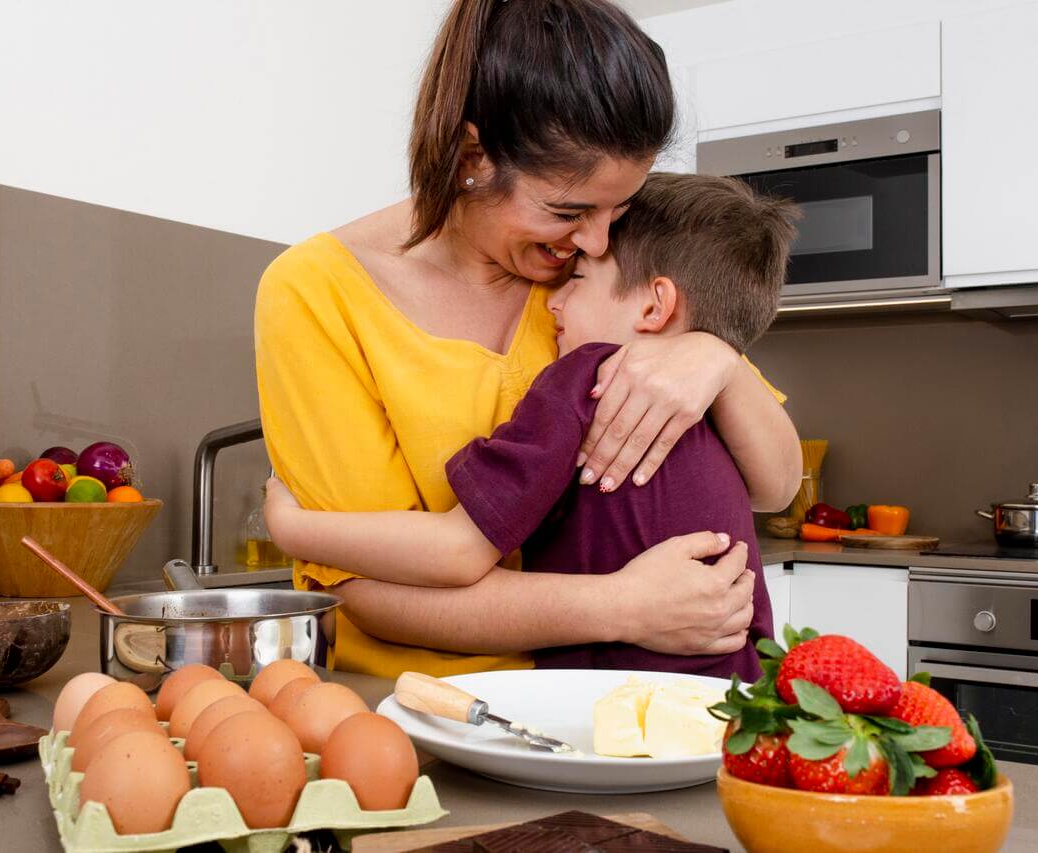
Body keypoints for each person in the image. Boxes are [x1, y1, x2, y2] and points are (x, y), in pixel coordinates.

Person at [254, 0, 802, 679]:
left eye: (618, 211)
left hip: (606, 712)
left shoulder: (602, 281)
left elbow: (777, 482)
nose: (597, 240)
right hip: (426, 712)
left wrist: (718, 360)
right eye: (569, 211)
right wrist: (621, 607)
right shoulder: (315, 292)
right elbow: (368, 593)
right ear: (472, 159)